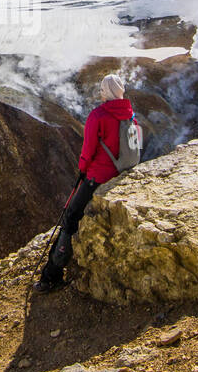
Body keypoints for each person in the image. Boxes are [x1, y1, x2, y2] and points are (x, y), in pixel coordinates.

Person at [34, 73, 135, 294]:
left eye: (102, 90)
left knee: (70, 219)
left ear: (106, 91)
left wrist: (82, 169)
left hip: (97, 178)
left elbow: (88, 150)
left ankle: (51, 276)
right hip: (121, 175)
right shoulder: (130, 116)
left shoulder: (98, 115)